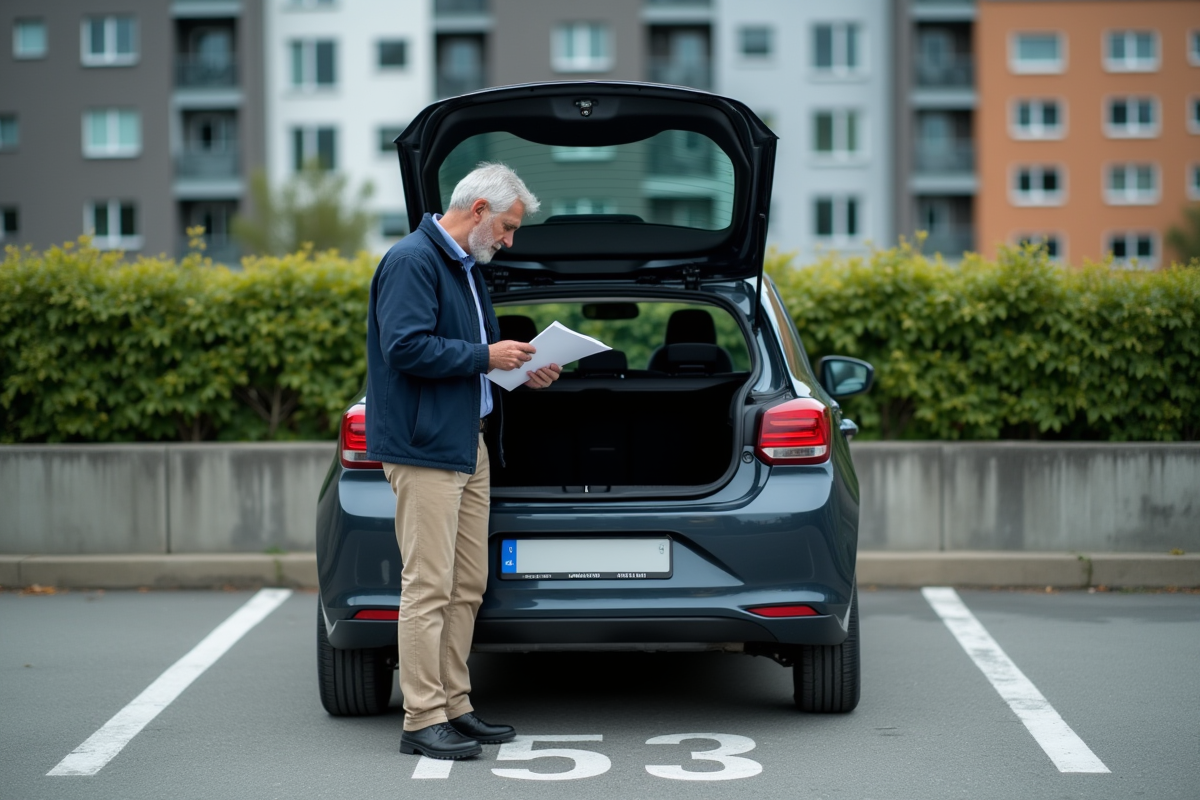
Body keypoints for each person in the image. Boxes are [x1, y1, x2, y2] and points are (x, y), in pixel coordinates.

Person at [364, 163, 560, 759]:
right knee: (427, 585)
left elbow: (474, 357)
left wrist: (522, 370)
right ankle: (422, 718)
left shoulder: (467, 267)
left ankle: (455, 705)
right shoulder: (412, 261)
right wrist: (486, 354)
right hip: (425, 447)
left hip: (465, 441)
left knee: (467, 583)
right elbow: (405, 347)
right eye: (506, 226)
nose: (508, 240)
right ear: (477, 210)